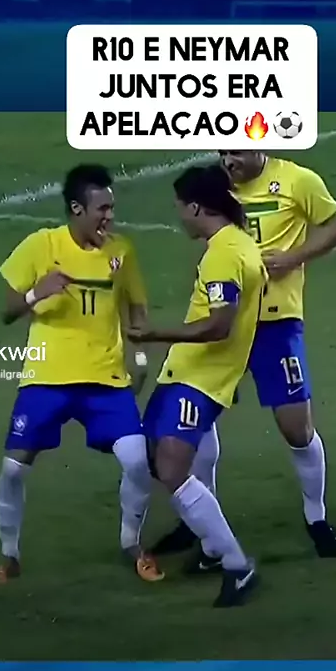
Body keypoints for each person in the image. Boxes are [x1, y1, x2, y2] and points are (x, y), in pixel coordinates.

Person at [151, 150, 336, 564]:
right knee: (196, 420)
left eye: (237, 151)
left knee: (296, 427)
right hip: (227, 322)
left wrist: (293, 258)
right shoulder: (218, 187)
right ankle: (202, 529)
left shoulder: (297, 181)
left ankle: (316, 516)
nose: (230, 160)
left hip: (275, 323)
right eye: (224, 151)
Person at [0, 164, 163, 584]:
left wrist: (140, 360)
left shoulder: (121, 251)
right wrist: (38, 291)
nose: (110, 216)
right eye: (102, 209)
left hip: (105, 380)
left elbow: (137, 309)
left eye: (111, 208)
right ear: (76, 209)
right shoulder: (41, 245)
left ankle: (131, 544)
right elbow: (7, 311)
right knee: (13, 468)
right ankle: (10, 556)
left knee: (137, 461)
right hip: (47, 378)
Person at [128, 164, 267, 607]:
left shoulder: (223, 254)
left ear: (196, 207)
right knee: (161, 457)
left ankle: (237, 565)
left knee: (171, 469)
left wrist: (154, 334)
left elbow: (220, 325)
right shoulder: (240, 244)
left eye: (179, 207)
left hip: (198, 378)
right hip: (194, 375)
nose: (178, 217)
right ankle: (209, 547)